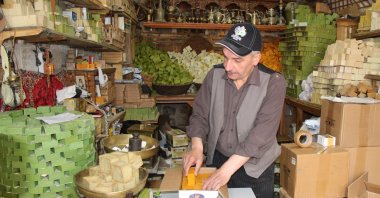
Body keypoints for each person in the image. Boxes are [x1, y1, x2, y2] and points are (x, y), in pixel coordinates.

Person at [183, 22, 286, 198]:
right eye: (225, 57)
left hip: (255, 169)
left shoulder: (273, 83)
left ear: (255, 59)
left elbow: (261, 135)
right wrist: (197, 147)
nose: (228, 67)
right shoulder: (214, 76)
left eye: (237, 60)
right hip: (218, 159)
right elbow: (200, 114)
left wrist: (227, 171)